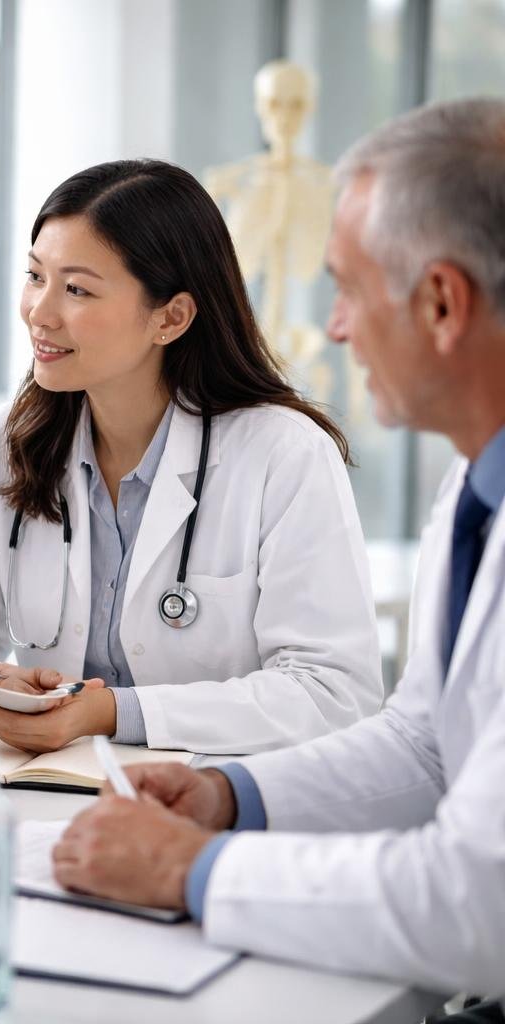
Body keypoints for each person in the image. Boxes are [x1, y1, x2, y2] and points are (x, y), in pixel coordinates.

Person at [50, 99, 505, 1005]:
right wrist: (230, 798)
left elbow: (481, 903)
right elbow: (423, 748)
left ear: (443, 302)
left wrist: (197, 873)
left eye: (349, 288)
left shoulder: (287, 450)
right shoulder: (473, 487)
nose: (335, 328)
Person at [0, 159, 382, 755]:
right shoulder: (12, 441)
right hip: (48, 791)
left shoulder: (282, 455)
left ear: (171, 316)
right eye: (36, 276)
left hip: (217, 801)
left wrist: (114, 712)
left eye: (77, 289)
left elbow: (332, 691)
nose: (40, 311)